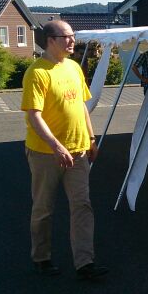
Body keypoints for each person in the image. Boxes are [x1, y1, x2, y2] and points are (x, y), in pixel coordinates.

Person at [21, 20, 108, 280]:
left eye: (72, 36)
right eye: (66, 37)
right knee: (44, 208)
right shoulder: (37, 73)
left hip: (78, 150)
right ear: (50, 40)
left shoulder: (73, 67)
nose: (72, 41)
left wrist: (91, 138)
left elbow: (82, 106)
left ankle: (85, 263)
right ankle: (41, 258)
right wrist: (56, 146)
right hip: (45, 153)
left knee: (82, 205)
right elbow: (34, 116)